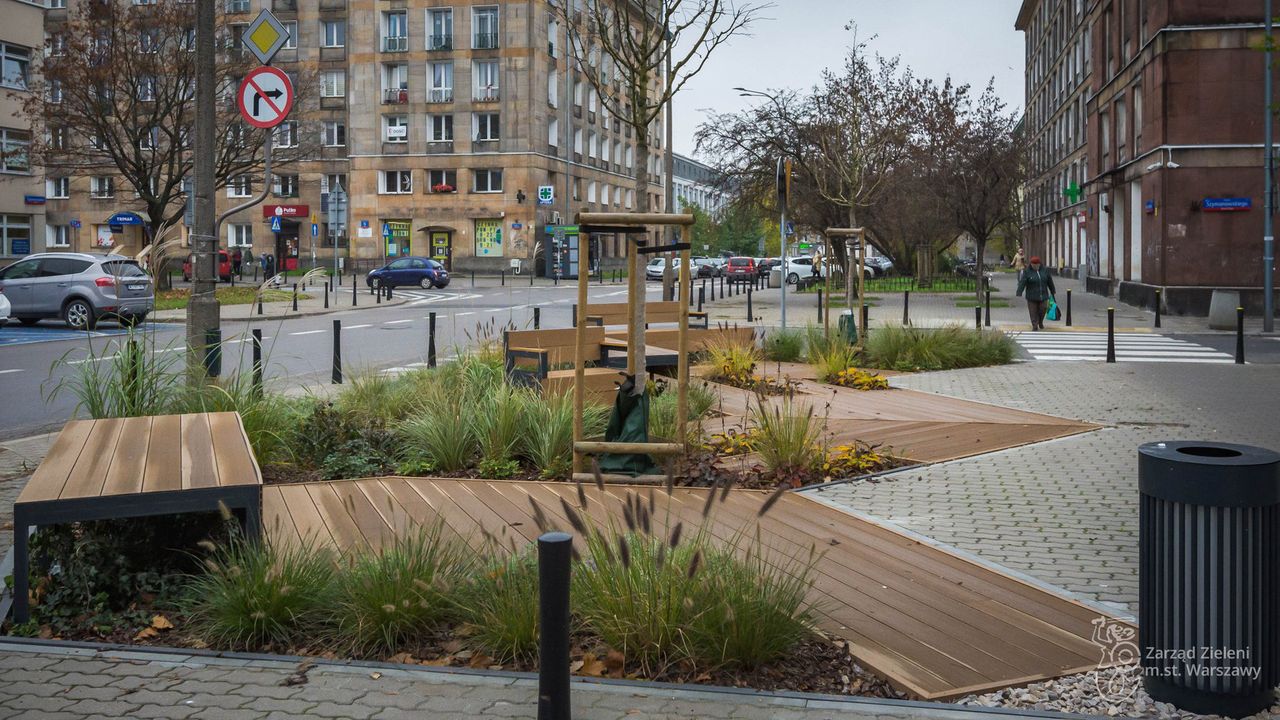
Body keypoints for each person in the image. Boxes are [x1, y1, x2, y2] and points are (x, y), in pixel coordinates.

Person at [1016, 256, 1056, 331]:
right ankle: (1034, 325)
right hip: (1031, 296)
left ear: (1039, 264)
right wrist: (1019, 292)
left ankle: (1040, 321)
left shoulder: (1045, 271)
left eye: (1037, 265)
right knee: (1033, 311)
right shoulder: (1027, 272)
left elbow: (1049, 281)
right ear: (1031, 264)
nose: (1035, 266)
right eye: (1033, 265)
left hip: (1043, 295)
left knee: (1043, 308)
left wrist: (1053, 290)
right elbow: (1022, 282)